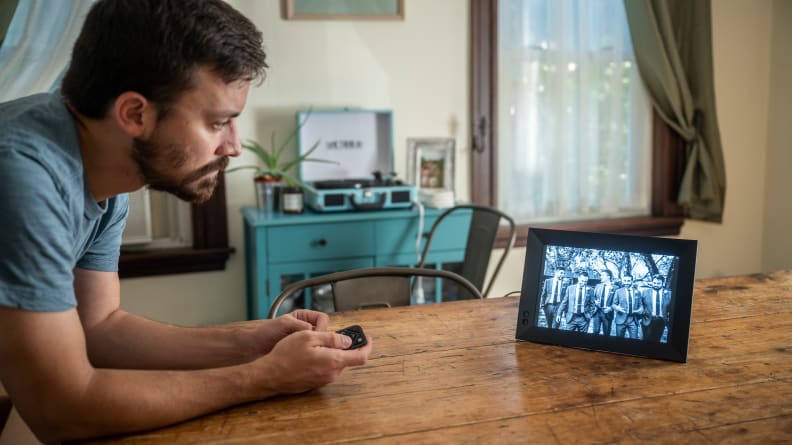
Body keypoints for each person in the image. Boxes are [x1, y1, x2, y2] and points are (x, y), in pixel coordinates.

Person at [0, 1, 373, 443]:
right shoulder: (23, 175)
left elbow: (100, 327)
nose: (234, 147)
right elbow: (62, 408)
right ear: (135, 114)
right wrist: (264, 377)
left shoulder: (103, 163)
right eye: (219, 123)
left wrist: (254, 345)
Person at [641, 274, 672, 342]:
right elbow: (640, 305)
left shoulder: (669, 294)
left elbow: (670, 308)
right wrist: (643, 312)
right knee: (646, 340)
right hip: (648, 319)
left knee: (656, 340)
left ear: (662, 283)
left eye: (658, 283)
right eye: (654, 283)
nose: (656, 285)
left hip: (661, 321)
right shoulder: (645, 292)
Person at [612, 273, 643, 339]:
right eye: (625, 281)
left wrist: (639, 310)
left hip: (633, 320)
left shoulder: (637, 292)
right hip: (621, 319)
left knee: (634, 340)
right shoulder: (618, 291)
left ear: (632, 281)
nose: (626, 283)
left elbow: (641, 305)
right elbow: (613, 304)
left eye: (628, 281)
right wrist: (617, 308)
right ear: (623, 281)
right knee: (619, 340)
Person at [591, 270, 616, 336]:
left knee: (606, 332)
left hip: (607, 313)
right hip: (597, 312)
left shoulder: (615, 288)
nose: (600, 277)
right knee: (595, 331)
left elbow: (617, 302)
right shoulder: (597, 286)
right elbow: (593, 297)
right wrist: (595, 302)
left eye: (602, 275)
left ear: (608, 277)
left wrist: (610, 308)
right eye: (601, 275)